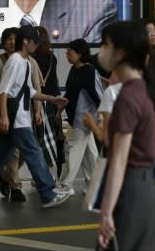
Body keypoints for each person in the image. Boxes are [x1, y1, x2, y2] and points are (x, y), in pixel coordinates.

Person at [0, 25, 70, 209]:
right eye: (35, 42)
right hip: (17, 120)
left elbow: (30, 91)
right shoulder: (15, 61)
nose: (37, 45)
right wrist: (4, 115)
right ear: (26, 42)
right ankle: (48, 194)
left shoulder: (25, 62)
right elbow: (2, 91)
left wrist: (52, 98)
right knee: (34, 153)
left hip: (19, 118)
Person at [95, 22, 155, 250]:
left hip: (130, 189)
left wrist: (105, 212)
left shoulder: (126, 97)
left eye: (106, 44)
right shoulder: (146, 90)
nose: (101, 50)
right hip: (147, 190)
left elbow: (120, 159)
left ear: (120, 53)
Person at [0, 27, 43, 202]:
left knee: (17, 152)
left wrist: (38, 111)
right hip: (7, 115)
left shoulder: (30, 62)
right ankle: (16, 187)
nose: (11, 42)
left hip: (26, 114)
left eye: (14, 38)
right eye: (7, 39)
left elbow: (36, 88)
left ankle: (3, 175)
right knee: (14, 152)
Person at [55, 38, 102, 196]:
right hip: (77, 117)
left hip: (84, 118)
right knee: (90, 153)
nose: (67, 54)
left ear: (81, 53)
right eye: (67, 51)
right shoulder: (74, 69)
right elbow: (70, 92)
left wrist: (102, 116)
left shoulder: (89, 70)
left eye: (70, 52)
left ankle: (65, 185)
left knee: (72, 149)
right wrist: (60, 110)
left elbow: (97, 95)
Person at [31, 26, 63, 176]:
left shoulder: (31, 59)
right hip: (52, 100)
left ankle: (44, 173)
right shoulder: (52, 57)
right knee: (50, 138)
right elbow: (54, 81)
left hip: (38, 100)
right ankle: (50, 172)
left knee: (39, 137)